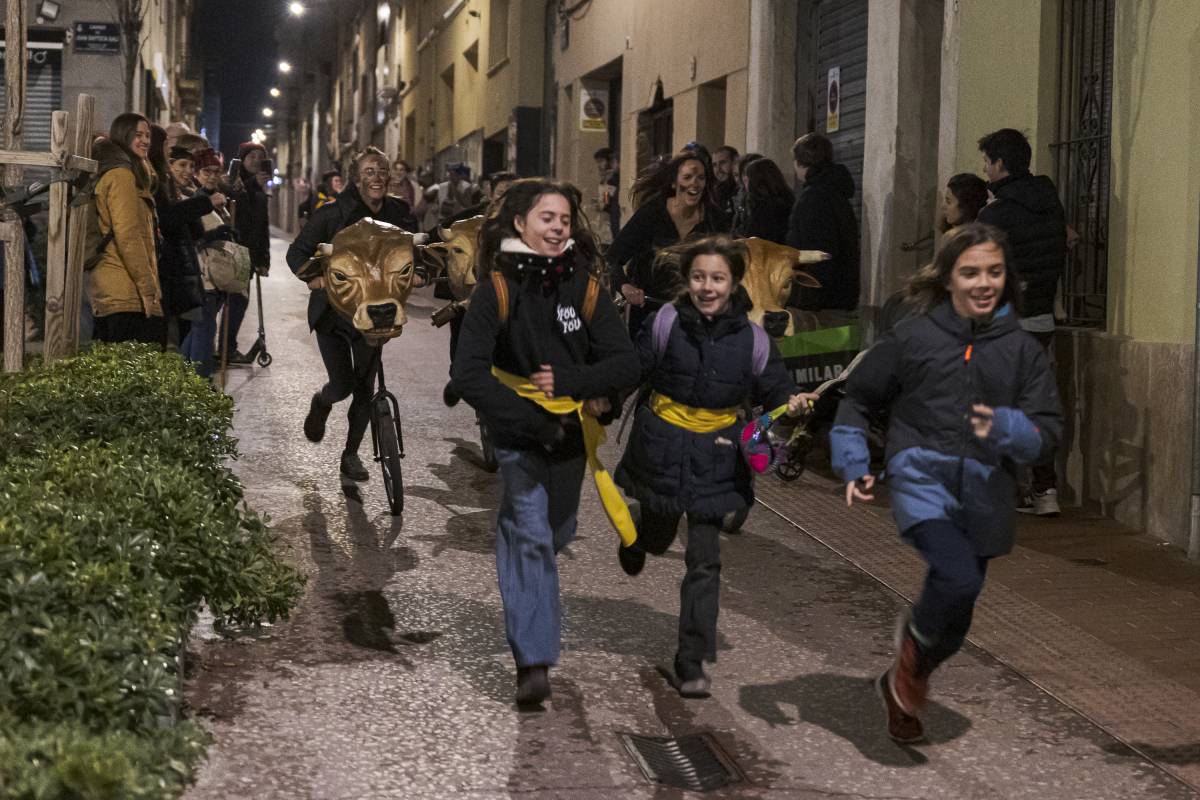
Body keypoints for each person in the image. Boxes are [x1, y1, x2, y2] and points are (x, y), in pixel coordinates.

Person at [831, 223, 1063, 743]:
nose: (984, 283)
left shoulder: (1022, 349)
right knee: (955, 577)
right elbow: (858, 398)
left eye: (995, 272)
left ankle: (905, 677)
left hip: (986, 490)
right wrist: (852, 462)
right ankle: (911, 662)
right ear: (948, 278)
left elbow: (1048, 432)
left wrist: (1005, 428)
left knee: (957, 613)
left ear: (1008, 279)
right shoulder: (914, 336)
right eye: (971, 272)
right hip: (921, 476)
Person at [451, 178, 640, 706]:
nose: (558, 228)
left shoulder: (583, 287)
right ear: (520, 224)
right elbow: (467, 373)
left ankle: (524, 570)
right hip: (519, 431)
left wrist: (581, 388)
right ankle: (533, 661)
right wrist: (530, 422)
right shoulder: (496, 289)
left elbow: (627, 362)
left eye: (563, 220)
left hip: (571, 433)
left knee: (557, 531)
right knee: (530, 531)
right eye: (546, 219)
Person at [614, 235, 814, 697]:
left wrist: (793, 404)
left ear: (733, 283)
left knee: (705, 561)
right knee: (659, 537)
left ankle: (692, 661)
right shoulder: (665, 322)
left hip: (718, 457)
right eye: (699, 277)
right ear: (687, 280)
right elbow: (633, 370)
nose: (708, 287)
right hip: (663, 449)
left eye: (718, 278)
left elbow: (776, 392)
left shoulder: (755, 341)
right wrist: (599, 405)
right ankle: (640, 534)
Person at [288, 147, 419, 481]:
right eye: (369, 171)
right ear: (355, 177)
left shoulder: (399, 212)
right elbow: (297, 253)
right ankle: (322, 401)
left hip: (376, 315)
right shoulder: (331, 214)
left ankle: (350, 456)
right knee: (342, 385)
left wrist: (421, 273)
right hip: (333, 314)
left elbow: (418, 252)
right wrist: (314, 278)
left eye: (382, 171)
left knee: (365, 388)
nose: (376, 177)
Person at [976, 128, 1068, 516]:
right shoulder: (1051, 206)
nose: (984, 169)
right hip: (1042, 318)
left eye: (987, 162)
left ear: (1000, 164)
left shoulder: (995, 214)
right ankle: (1046, 491)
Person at [606, 151, 730, 336]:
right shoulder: (652, 213)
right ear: (674, 183)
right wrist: (625, 286)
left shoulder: (715, 220)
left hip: (700, 318)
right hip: (651, 312)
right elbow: (613, 257)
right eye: (688, 177)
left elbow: (732, 264)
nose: (695, 183)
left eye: (701, 178)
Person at [89, 113, 163, 345]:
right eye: (138, 135)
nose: (146, 141)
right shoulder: (121, 176)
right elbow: (128, 236)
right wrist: (148, 288)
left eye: (148, 135)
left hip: (126, 287)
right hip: (123, 289)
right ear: (123, 136)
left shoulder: (134, 174)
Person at [786, 133, 860, 314]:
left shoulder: (813, 198)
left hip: (819, 300)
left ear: (800, 161)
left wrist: (807, 296)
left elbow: (816, 252)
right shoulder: (836, 193)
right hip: (841, 294)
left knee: (814, 342)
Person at [180, 147, 235, 378]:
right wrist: (216, 234)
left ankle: (183, 377)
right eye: (206, 171)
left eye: (216, 171)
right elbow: (193, 236)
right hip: (204, 277)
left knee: (201, 330)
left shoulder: (218, 200)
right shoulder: (197, 199)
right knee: (204, 330)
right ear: (197, 173)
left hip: (217, 276)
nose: (212, 175)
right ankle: (199, 382)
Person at [222, 141, 273, 364]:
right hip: (236, 250)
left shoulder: (259, 188)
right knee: (237, 301)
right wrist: (253, 185)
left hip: (250, 253)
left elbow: (262, 226)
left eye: (260, 157)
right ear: (242, 159)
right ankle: (226, 347)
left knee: (239, 301)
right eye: (251, 157)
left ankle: (227, 346)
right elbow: (237, 207)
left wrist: (264, 259)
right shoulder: (235, 182)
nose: (255, 161)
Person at [735, 158, 794, 245]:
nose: (744, 185)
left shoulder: (763, 210)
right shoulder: (788, 200)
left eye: (746, 180)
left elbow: (749, 236)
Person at [730, 152, 763, 235]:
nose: (740, 180)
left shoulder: (762, 200)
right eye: (736, 175)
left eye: (746, 174)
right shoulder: (740, 196)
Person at [594, 146, 621, 240]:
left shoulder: (611, 179)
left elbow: (606, 198)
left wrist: (602, 203)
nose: (599, 165)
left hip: (611, 221)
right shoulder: (606, 178)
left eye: (601, 161)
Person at [711, 145, 739, 221]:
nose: (718, 169)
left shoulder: (743, 191)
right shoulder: (712, 192)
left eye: (722, 163)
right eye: (714, 165)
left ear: (735, 163)